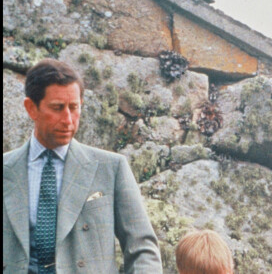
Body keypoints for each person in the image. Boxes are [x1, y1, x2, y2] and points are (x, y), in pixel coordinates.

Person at [3, 58, 163, 274]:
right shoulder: (6, 169)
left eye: (74, 107)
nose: (68, 119)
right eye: (58, 108)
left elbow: (143, 249)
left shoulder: (111, 168)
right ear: (31, 108)